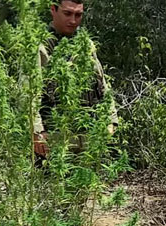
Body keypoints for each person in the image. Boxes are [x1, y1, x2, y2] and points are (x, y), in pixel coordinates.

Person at [33, 0, 118, 157]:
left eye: (78, 15)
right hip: (52, 144)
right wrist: (36, 132)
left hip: (88, 143)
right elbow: (28, 94)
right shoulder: (41, 47)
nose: (73, 21)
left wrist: (111, 121)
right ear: (53, 9)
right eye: (67, 13)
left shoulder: (86, 44)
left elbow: (101, 84)